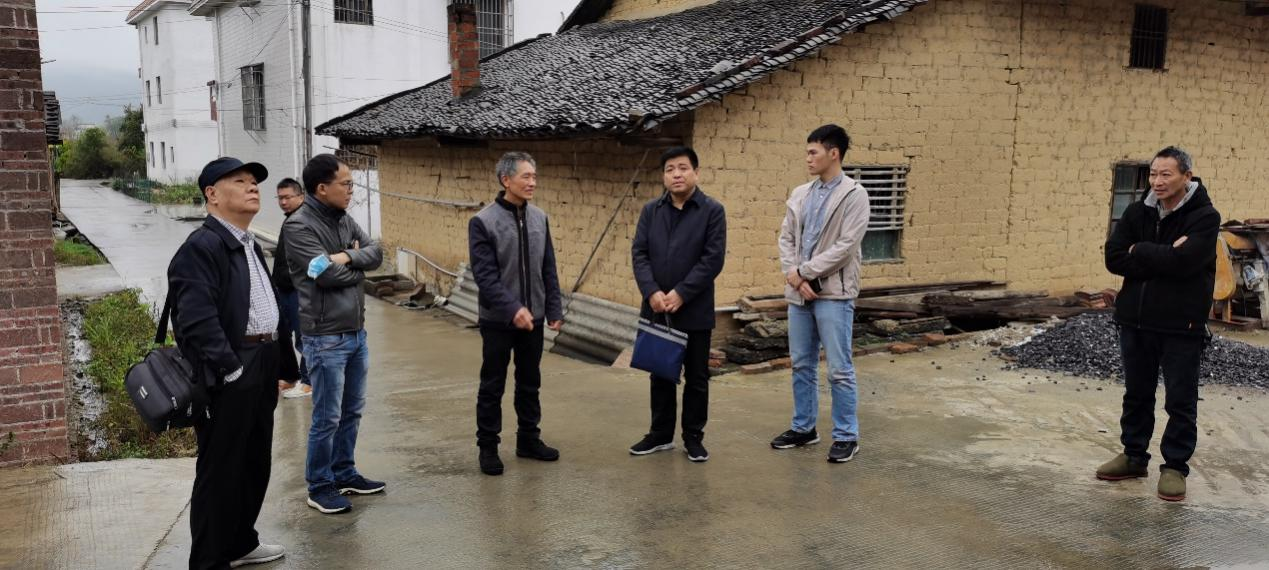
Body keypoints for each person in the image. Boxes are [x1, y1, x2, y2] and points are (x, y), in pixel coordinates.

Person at [169, 157, 288, 569]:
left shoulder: (247, 242)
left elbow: (266, 306)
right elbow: (196, 319)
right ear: (212, 195)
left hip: (261, 362)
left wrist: (282, 366)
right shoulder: (202, 247)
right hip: (232, 370)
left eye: (254, 181)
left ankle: (239, 543)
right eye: (240, 181)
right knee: (220, 469)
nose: (252, 187)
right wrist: (231, 369)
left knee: (253, 462)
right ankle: (208, 560)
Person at [1100, 146, 1220, 502]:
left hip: (1181, 325)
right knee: (1136, 394)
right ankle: (1134, 456)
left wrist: (1140, 250)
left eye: (1166, 174)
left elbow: (1186, 263)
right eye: (1153, 174)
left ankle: (1175, 468)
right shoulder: (1138, 211)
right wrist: (1165, 254)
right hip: (1135, 321)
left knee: (1180, 400)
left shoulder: (1205, 217)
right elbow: (1114, 257)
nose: (1157, 181)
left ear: (1186, 176)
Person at [283, 154, 385, 514]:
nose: (351, 190)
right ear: (322, 188)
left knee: (352, 410)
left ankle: (344, 473)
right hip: (325, 337)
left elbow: (377, 253)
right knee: (327, 417)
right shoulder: (299, 226)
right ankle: (320, 485)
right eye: (346, 184)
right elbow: (324, 276)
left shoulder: (344, 218)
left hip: (355, 333)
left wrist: (343, 257)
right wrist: (354, 262)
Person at [770, 124, 870, 464]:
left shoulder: (854, 195)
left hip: (834, 295)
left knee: (839, 369)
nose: (808, 158)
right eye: (807, 152)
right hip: (799, 294)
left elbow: (846, 247)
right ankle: (804, 428)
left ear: (834, 153)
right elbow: (786, 238)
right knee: (801, 364)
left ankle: (846, 436)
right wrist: (795, 276)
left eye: (813, 152)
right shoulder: (801, 194)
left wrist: (805, 273)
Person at [468, 151, 564, 476]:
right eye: (526, 176)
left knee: (529, 382)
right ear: (506, 180)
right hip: (497, 320)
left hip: (533, 318)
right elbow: (485, 277)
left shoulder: (539, 217)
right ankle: (488, 447)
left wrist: (553, 308)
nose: (532, 182)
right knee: (492, 385)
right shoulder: (483, 221)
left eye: (534, 176)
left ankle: (528, 440)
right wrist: (513, 309)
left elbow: (548, 267)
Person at [628, 146, 727, 462]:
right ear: (663, 176)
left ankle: (693, 437)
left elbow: (712, 259)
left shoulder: (712, 211)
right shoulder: (651, 211)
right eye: (670, 169)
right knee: (660, 374)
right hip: (658, 308)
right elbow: (639, 254)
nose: (676, 174)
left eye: (683, 168)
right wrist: (651, 291)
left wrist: (682, 292)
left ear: (696, 172)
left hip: (694, 309)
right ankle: (660, 434)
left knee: (697, 378)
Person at [272, 178, 311, 399]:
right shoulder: (289, 220)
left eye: (287, 197)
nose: (283, 202)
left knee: (304, 337)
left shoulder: (305, 221)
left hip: (299, 290)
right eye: (280, 198)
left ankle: (308, 382)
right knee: (283, 335)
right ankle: (290, 376)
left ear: (301, 197)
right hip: (283, 289)